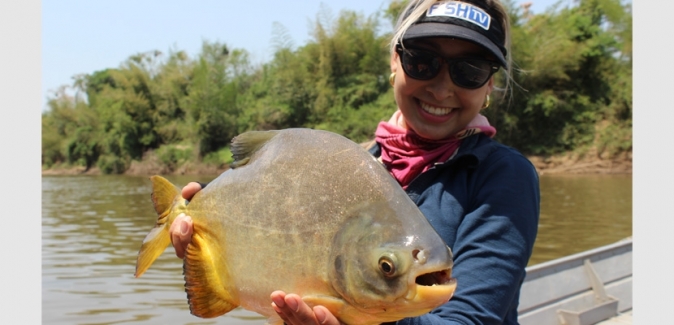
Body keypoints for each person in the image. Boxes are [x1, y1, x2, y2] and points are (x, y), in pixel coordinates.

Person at [170, 0, 540, 324]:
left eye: (470, 70)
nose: (442, 89)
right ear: (395, 61)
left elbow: (468, 320)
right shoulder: (356, 164)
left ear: (490, 84)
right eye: (422, 61)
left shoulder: (505, 176)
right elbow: (282, 267)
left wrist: (364, 317)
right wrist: (219, 241)